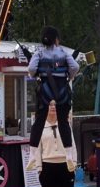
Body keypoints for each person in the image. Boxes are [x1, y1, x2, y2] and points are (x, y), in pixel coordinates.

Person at [26, 26, 79, 170]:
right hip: (62, 91)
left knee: (39, 123)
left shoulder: (39, 53)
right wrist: (69, 76)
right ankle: (68, 154)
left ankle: (32, 155)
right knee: (63, 123)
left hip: (45, 92)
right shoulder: (64, 53)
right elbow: (75, 66)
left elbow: (31, 69)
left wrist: (35, 75)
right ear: (56, 40)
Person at [28, 101, 77, 187]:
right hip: (47, 166)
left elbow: (72, 145)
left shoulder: (65, 125)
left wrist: (74, 164)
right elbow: (38, 148)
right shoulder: (40, 126)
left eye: (55, 105)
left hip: (66, 165)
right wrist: (39, 169)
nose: (53, 107)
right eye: (50, 105)